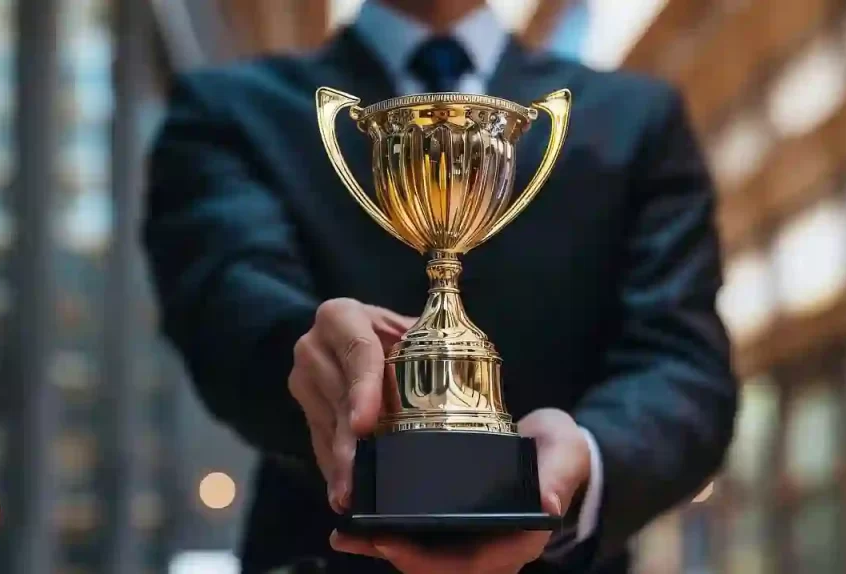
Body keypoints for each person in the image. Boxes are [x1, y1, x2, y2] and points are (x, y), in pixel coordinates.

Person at [142, 0, 738, 572]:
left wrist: (587, 457)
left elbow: (683, 365)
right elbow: (223, 295)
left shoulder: (638, 120)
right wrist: (315, 361)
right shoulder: (227, 110)